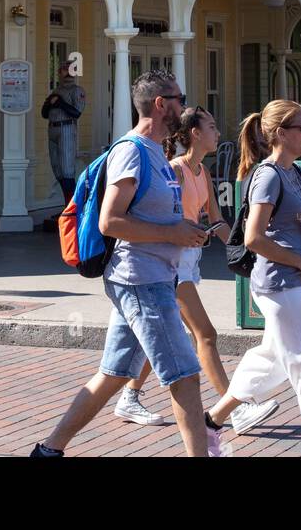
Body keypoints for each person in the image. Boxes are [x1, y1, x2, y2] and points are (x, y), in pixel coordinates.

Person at [31, 70, 210, 458]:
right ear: (160, 104)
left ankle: (48, 450)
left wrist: (183, 231)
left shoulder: (157, 152)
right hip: (140, 280)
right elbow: (110, 221)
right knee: (185, 377)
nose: (183, 106)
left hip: (153, 278)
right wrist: (172, 233)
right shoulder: (131, 151)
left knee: (114, 373)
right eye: (179, 99)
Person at [116, 106, 279, 435]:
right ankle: (235, 410)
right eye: (212, 127)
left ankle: (129, 396)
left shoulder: (202, 172)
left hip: (189, 262)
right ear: (195, 133)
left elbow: (217, 220)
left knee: (160, 335)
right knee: (205, 335)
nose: (218, 133)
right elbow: (164, 218)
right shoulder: (175, 170)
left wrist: (247, 248)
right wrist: (186, 231)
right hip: (170, 264)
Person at [203, 100, 301, 459]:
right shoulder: (267, 176)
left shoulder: (297, 173)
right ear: (280, 133)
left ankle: (212, 421)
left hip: (291, 281)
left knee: (272, 358)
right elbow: (253, 238)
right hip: (277, 282)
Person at [41, 62, 86, 207]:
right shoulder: (56, 90)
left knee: (67, 170)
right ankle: (68, 205)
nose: (68, 73)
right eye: (64, 70)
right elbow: (44, 113)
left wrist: (59, 102)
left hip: (66, 127)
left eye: (71, 70)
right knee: (57, 169)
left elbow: (76, 113)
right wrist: (50, 103)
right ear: (59, 72)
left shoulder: (77, 90)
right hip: (52, 128)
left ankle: (73, 208)